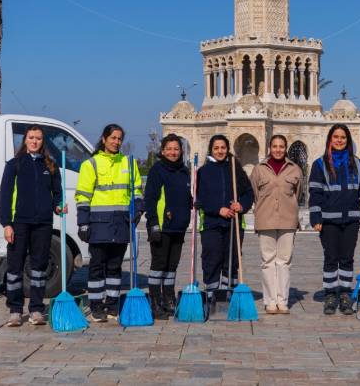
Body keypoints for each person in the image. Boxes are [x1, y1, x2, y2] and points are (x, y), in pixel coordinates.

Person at [75, 124, 142, 323]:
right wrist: (83, 223)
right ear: (104, 139)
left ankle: (112, 305)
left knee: (115, 267)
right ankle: (96, 306)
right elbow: (83, 196)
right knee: (97, 266)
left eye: (119, 138)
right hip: (98, 224)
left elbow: (137, 191)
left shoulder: (129, 163)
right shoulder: (91, 164)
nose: (116, 142)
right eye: (113, 138)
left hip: (121, 223)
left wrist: (138, 209)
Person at [0, 124, 64, 327]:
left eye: (38, 138)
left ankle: (36, 309)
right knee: (15, 267)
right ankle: (15, 310)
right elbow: (5, 195)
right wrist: (6, 224)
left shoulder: (50, 166)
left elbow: (57, 193)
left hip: (43, 223)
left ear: (42, 141)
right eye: (31, 137)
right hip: (19, 223)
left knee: (39, 268)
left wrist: (59, 206)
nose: (35, 141)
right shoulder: (14, 164)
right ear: (25, 140)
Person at [308, 123, 360, 316]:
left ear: (348, 140)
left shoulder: (357, 164)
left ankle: (344, 294)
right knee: (331, 258)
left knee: (347, 258)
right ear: (330, 139)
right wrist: (316, 217)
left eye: (343, 137)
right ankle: (330, 295)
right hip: (329, 220)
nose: (339, 140)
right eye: (336, 137)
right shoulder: (320, 164)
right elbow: (315, 193)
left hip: (351, 219)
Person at [196, 134, 253, 314]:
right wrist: (218, 209)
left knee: (232, 261)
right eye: (216, 148)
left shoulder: (235, 169)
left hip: (233, 224)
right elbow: (199, 199)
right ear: (211, 150)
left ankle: (230, 296)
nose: (220, 151)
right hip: (211, 224)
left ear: (227, 149)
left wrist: (241, 205)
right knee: (212, 259)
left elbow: (248, 193)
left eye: (223, 148)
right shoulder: (203, 172)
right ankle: (212, 295)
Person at [250, 134, 303, 314]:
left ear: (286, 148)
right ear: (269, 148)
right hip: (265, 219)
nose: (278, 150)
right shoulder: (259, 169)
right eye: (275, 146)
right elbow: (255, 193)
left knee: (284, 261)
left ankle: (282, 300)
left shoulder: (294, 169)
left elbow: (297, 193)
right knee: (268, 261)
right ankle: (270, 300)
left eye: (281, 146)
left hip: (288, 220)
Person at [142, 133, 192, 319]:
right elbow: (150, 199)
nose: (173, 152)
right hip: (162, 226)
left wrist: (193, 201)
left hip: (178, 226)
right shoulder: (157, 170)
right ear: (162, 151)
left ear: (181, 151)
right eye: (169, 149)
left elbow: (183, 195)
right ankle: (155, 301)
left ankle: (168, 298)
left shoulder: (184, 171)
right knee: (159, 264)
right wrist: (153, 223)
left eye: (176, 149)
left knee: (172, 265)